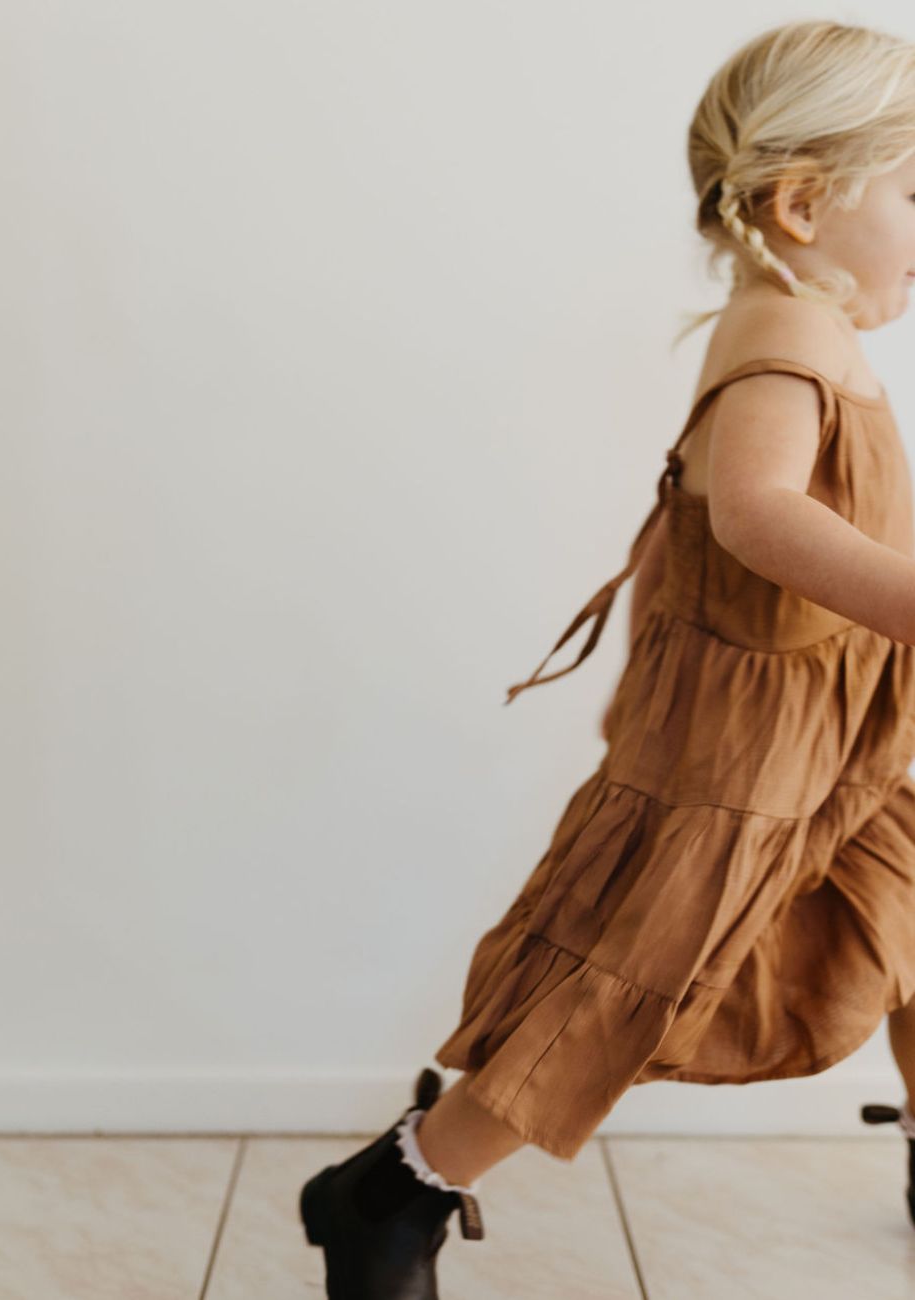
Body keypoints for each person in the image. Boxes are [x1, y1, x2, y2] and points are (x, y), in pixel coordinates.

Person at [299, 19, 915, 1297]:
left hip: (840, 726)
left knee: (909, 912)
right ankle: (393, 1188)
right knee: (637, 976)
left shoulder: (799, 324)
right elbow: (754, 513)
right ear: (803, 203)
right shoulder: (785, 340)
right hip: (753, 750)